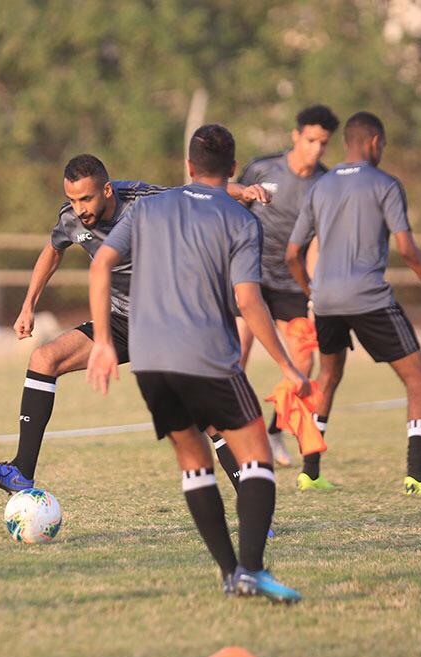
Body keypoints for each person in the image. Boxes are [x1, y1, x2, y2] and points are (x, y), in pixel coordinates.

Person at [87, 124, 309, 601]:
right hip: (206, 354)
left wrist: (104, 341)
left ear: (188, 167)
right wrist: (288, 368)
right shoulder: (240, 220)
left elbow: (100, 263)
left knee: (194, 462)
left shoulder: (146, 208)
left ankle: (232, 575)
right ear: (232, 169)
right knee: (257, 456)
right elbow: (248, 301)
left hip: (149, 360)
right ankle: (250, 568)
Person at [0, 155, 261, 493]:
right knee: (43, 359)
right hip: (121, 319)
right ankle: (21, 470)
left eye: (86, 199)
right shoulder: (72, 220)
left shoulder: (146, 202)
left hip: (167, 321)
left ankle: (252, 501)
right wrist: (28, 305)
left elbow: (199, 191)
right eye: (72, 200)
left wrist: (242, 192)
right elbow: (53, 250)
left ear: (107, 190)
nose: (79, 209)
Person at [285, 111, 421, 494]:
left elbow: (292, 252)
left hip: (327, 301)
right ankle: (415, 475)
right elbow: (407, 250)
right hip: (369, 299)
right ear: (375, 143)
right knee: (418, 378)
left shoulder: (321, 186)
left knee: (328, 378)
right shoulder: (386, 184)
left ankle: (309, 472)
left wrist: (312, 291)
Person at [234, 104, 340, 467]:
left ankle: (275, 432)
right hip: (252, 276)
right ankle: (232, 431)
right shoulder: (263, 168)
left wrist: (313, 293)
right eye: (310, 140)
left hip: (292, 284)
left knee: (303, 360)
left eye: (323, 143)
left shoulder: (325, 182)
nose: (316, 149)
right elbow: (232, 204)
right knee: (239, 353)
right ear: (296, 136)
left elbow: (317, 241)